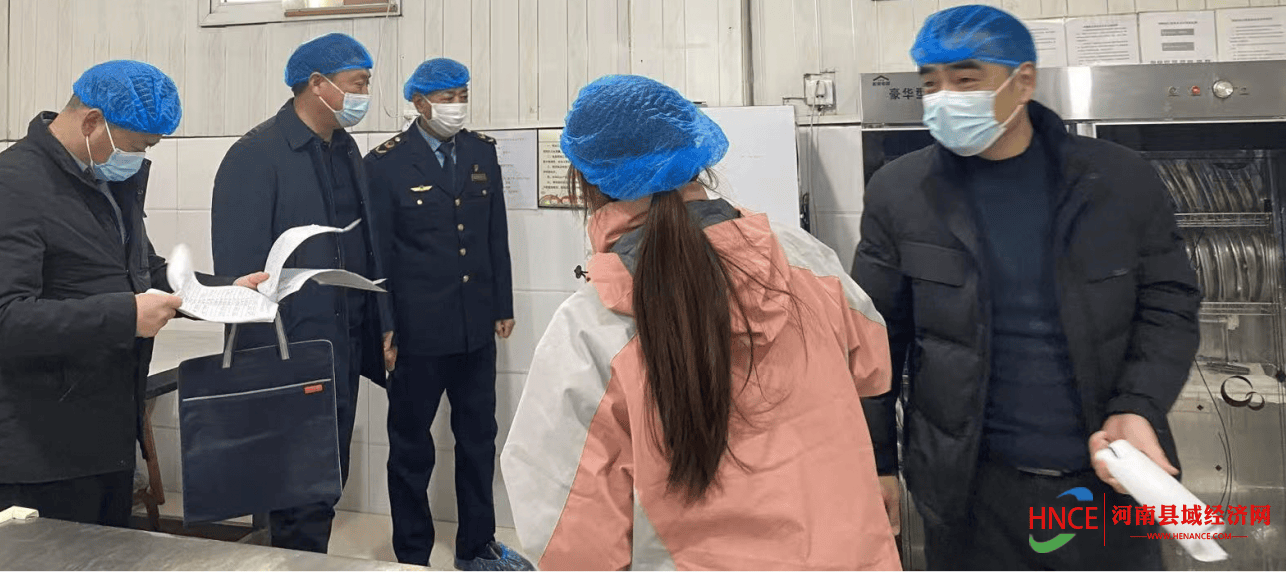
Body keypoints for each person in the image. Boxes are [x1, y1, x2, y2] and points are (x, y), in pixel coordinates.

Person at [502, 75, 899, 571]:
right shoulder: (803, 258)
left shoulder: (592, 328)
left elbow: (570, 538)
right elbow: (874, 366)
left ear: (587, 184)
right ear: (698, 157)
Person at [854, 5, 1202, 570]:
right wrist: (876, 464)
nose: (944, 98)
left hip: (1106, 480)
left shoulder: (1117, 180)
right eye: (930, 84)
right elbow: (873, 339)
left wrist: (1138, 404)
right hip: (968, 493)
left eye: (966, 79)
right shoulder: (901, 192)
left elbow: (1168, 302)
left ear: (1023, 82)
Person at [0, 60, 267, 526]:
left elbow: (141, 272)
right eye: (137, 147)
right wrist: (125, 316)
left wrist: (224, 291)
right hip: (38, 453)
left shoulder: (103, 183)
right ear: (92, 122)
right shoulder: (7, 190)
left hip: (104, 438)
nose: (138, 159)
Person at [210, 32, 394, 554]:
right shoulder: (255, 155)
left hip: (341, 347)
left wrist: (381, 322)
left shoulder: (344, 149)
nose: (364, 95)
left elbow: (365, 245)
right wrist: (264, 368)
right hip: (286, 355)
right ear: (317, 84)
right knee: (291, 494)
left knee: (325, 483)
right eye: (357, 83)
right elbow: (241, 275)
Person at [365, 58, 525, 571]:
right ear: (419, 103)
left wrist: (502, 304)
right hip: (416, 333)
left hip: (475, 326)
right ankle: (411, 553)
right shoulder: (385, 163)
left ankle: (477, 546)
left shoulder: (481, 151)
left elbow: (494, 232)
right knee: (411, 447)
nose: (458, 105)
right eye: (447, 97)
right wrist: (385, 323)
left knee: (479, 441)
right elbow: (378, 254)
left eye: (463, 95)